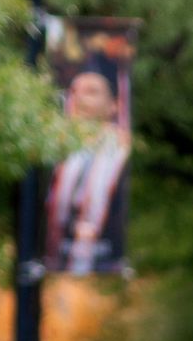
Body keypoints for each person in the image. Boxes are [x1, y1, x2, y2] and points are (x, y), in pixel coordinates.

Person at [45, 67, 130, 276]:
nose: (80, 98)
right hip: (56, 246)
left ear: (114, 105)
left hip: (102, 248)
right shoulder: (52, 149)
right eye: (74, 92)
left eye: (91, 92)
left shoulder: (123, 152)